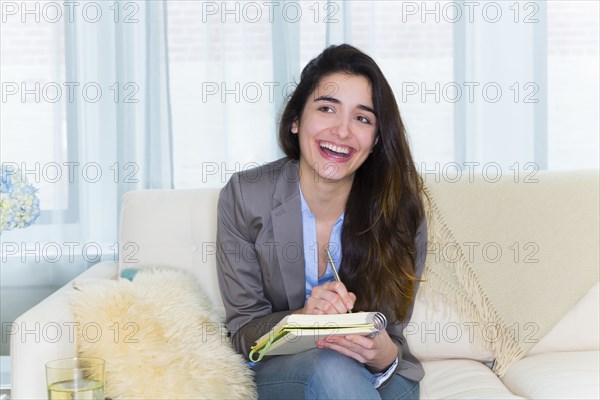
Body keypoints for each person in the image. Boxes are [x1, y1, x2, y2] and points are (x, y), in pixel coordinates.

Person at [216, 44, 427, 400]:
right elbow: (243, 332)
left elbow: (392, 330)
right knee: (332, 368)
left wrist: (383, 354)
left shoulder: (399, 207)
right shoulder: (245, 196)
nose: (342, 131)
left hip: (377, 378)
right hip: (290, 371)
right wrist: (300, 318)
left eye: (362, 118)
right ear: (296, 120)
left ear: (375, 140)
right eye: (327, 108)